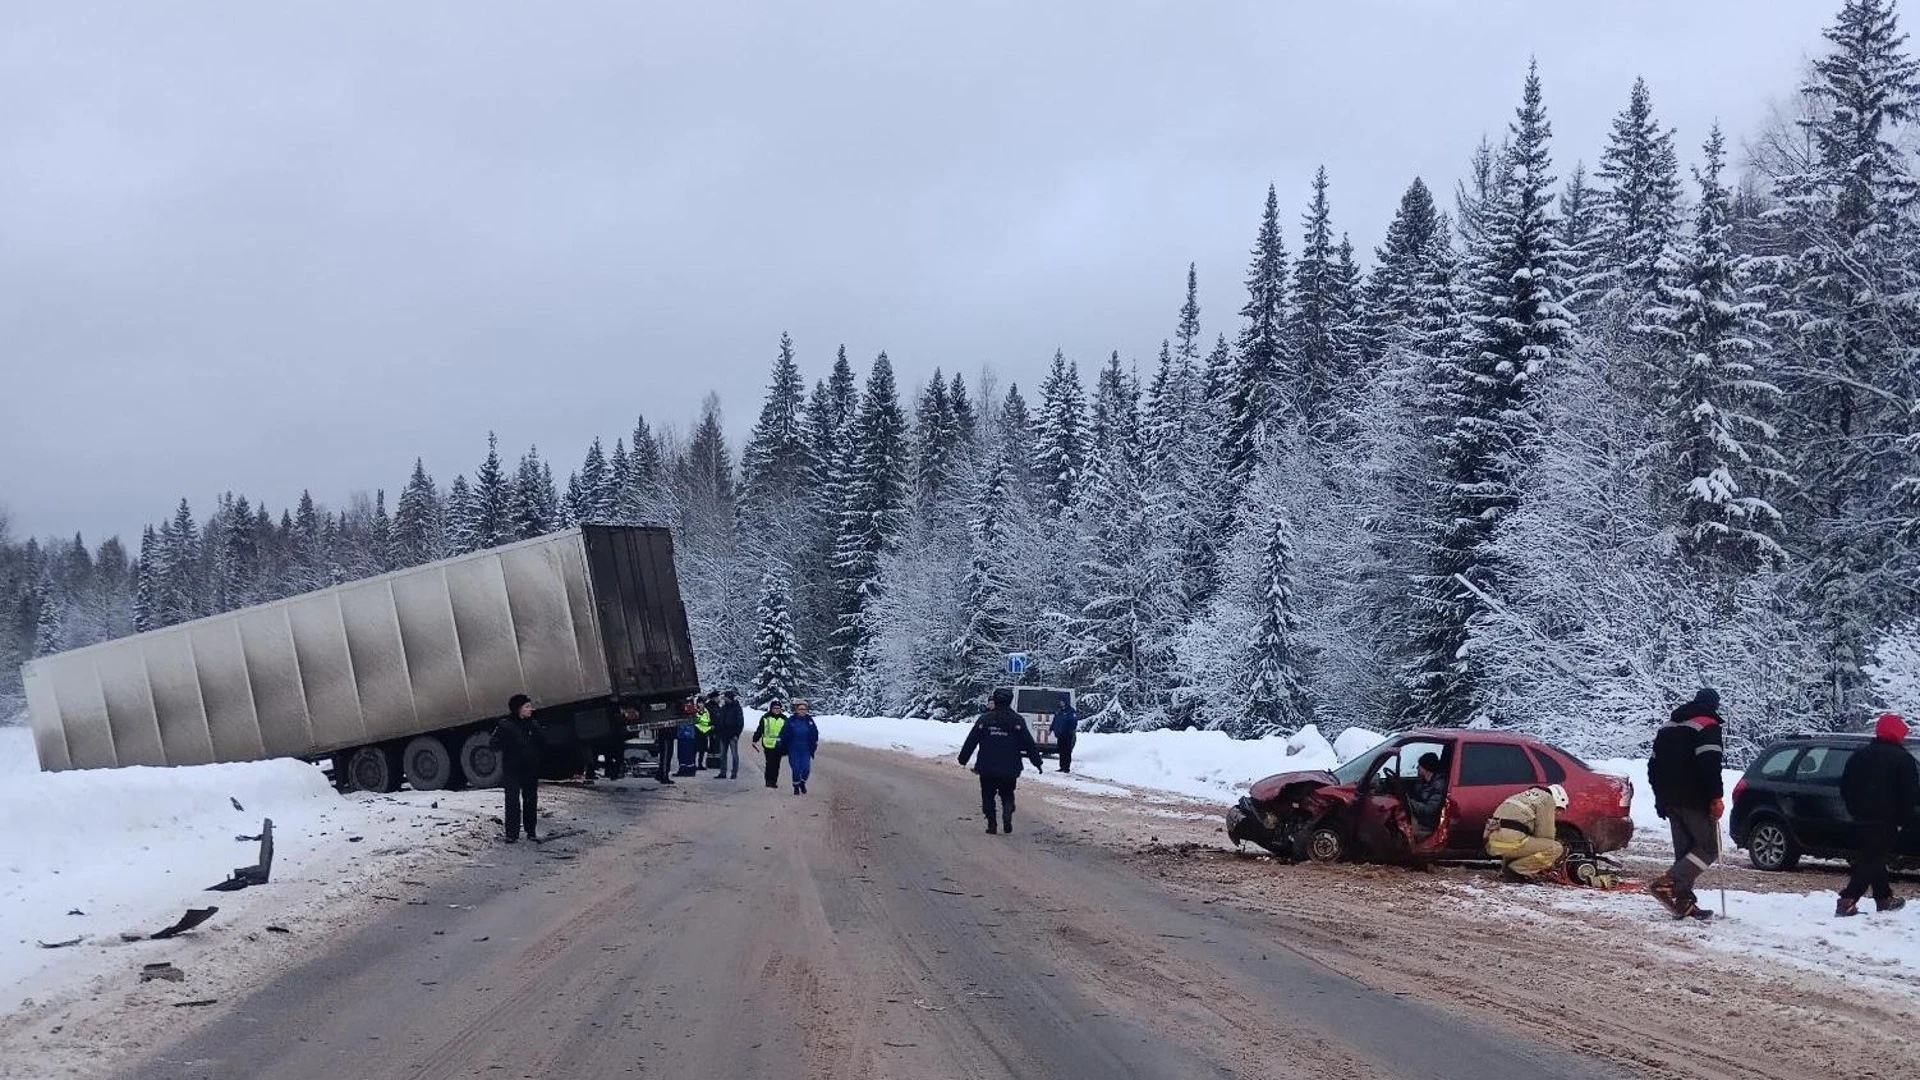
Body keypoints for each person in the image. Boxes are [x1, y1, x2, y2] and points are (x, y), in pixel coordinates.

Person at [1647, 687, 1726, 920]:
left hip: (1669, 799)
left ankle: (1684, 902)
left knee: (1685, 854)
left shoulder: (1667, 728)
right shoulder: (1707, 725)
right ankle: (1669, 884)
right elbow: (1709, 764)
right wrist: (1715, 797)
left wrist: (1660, 798)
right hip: (1694, 798)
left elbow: (1653, 767)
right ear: (1714, 705)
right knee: (1708, 848)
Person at [1836, 712, 1917, 917]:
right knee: (1872, 858)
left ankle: (1883, 898)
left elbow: (1845, 785)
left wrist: (1853, 808)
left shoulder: (1860, 755)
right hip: (1886, 819)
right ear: (1898, 734)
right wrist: (1902, 820)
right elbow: (1908, 794)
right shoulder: (1903, 760)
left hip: (1860, 816)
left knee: (1874, 857)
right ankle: (1848, 899)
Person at [960, 687, 1044, 835]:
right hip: (1010, 766)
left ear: (995, 700)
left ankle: (992, 824)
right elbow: (1028, 743)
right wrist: (1037, 762)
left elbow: (971, 740)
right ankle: (1008, 809)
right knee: (1007, 791)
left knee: (987, 794)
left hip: (987, 766)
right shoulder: (1017, 720)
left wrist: (963, 758)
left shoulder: (985, 719)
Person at [1483, 784, 1567, 880]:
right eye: (1558, 809)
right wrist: (1549, 861)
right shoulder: (1547, 799)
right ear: (1556, 799)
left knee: (1520, 839)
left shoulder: (1520, 796)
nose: (1558, 814)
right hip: (1510, 841)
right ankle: (1518, 870)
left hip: (1491, 843)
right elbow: (1545, 835)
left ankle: (1507, 870)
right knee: (1555, 848)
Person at [490, 694, 542, 843]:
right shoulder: (506, 725)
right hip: (512, 769)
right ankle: (512, 834)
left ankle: (531, 831)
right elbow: (493, 744)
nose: (530, 709)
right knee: (512, 800)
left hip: (530, 768)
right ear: (518, 709)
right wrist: (504, 741)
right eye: (527, 706)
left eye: (529, 706)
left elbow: (543, 741)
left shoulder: (533, 724)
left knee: (530, 800)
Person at [778, 700, 821, 794]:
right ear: (796, 710)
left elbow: (815, 732)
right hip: (793, 749)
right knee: (796, 768)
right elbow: (784, 733)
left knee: (806, 769)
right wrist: (780, 742)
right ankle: (796, 786)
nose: (802, 711)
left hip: (806, 749)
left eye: (804, 709)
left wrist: (815, 742)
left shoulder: (809, 720)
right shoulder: (791, 721)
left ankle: (802, 782)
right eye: (800, 709)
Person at [1407, 752, 1447, 839]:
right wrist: (1420, 779)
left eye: (1419, 766)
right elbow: (1417, 794)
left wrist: (1409, 803)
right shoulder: (1426, 782)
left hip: (1428, 824)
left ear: (1425, 768)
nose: (1417, 768)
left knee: (1404, 833)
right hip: (1421, 819)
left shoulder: (1439, 784)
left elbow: (1430, 810)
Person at [752, 701, 789, 789]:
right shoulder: (765, 718)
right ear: (771, 709)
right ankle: (768, 781)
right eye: (775, 708)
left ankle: (774, 781)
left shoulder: (784, 719)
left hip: (779, 745)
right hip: (768, 744)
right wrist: (755, 740)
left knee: (776, 764)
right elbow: (760, 730)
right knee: (769, 763)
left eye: (778, 708)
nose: (776, 710)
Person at [711, 689, 745, 779]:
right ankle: (723, 772)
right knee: (722, 755)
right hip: (723, 735)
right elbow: (719, 721)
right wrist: (717, 732)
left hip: (732, 735)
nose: (724, 699)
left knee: (734, 755)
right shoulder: (723, 708)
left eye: (725, 698)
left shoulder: (737, 708)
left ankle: (734, 773)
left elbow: (740, 723)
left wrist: (737, 734)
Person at [1050, 699, 1079, 774]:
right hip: (1060, 734)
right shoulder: (1059, 711)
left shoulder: (1070, 711)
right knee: (1061, 751)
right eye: (1060, 701)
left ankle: (1066, 767)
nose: (1061, 703)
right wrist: (1051, 728)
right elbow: (1055, 720)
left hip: (1067, 734)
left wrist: (1070, 731)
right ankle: (1062, 766)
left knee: (1067, 751)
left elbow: (1074, 722)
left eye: (1062, 701)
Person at [693, 693, 716, 770]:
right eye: (699, 703)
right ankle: (694, 763)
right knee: (695, 749)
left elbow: (708, 720)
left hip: (704, 733)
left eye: (702, 703)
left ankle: (700, 764)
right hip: (697, 733)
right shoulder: (695, 712)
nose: (701, 705)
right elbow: (697, 722)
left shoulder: (706, 711)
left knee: (702, 750)